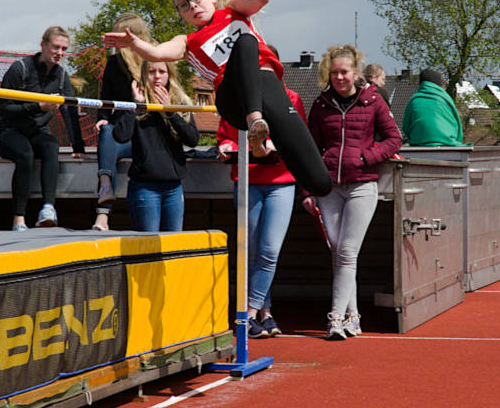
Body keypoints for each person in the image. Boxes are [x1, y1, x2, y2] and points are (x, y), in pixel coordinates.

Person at [103, 0, 331, 198]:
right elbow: (155, 53)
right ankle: (255, 124)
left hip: (268, 89)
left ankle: (260, 145)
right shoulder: (187, 41)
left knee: (320, 182)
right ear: (181, 14)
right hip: (233, 99)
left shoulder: (233, 12)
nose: (192, 6)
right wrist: (134, 43)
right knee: (246, 42)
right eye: (184, 5)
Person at [303, 45, 402, 340]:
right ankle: (353, 318)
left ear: (356, 72)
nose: (339, 77)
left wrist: (365, 157)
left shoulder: (373, 100)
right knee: (341, 254)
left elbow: (394, 139)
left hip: (362, 185)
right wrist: (308, 190)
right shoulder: (321, 104)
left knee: (346, 252)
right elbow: (310, 150)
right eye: (334, 72)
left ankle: (334, 319)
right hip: (328, 187)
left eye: (344, 72)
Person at [217, 73, 305, 338]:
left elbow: (300, 136)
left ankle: (248, 312)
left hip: (281, 181)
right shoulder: (237, 101)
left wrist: (280, 144)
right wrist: (225, 145)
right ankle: (265, 313)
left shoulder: (292, 99)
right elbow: (225, 135)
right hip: (248, 180)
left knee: (269, 251)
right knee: (252, 252)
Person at [0, 26, 85, 232]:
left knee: (51, 146)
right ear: (43, 45)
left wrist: (77, 147)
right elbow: (3, 108)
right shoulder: (21, 68)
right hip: (11, 131)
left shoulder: (62, 76)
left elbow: (70, 113)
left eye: (64, 49)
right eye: (55, 47)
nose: (60, 53)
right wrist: (38, 106)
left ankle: (48, 209)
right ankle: (19, 219)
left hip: (37, 131)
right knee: (25, 154)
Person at [112, 60, 198, 232]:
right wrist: (135, 105)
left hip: (173, 187)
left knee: (172, 247)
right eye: (152, 72)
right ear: (144, 74)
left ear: (169, 75)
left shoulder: (179, 102)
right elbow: (120, 136)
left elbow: (192, 139)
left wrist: (170, 111)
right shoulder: (137, 101)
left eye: (162, 71)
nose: (157, 76)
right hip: (145, 187)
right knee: (148, 246)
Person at [92, 13, 147, 231]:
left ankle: (108, 206)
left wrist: (137, 102)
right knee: (106, 134)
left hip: (145, 131)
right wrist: (102, 119)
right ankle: (104, 201)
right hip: (122, 129)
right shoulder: (114, 63)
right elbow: (106, 98)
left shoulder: (151, 62)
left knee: (112, 135)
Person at [401, 69, 464, 146]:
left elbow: (405, 127)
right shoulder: (446, 99)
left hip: (419, 144)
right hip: (446, 144)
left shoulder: (414, 100)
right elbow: (457, 125)